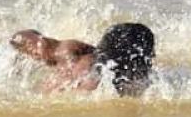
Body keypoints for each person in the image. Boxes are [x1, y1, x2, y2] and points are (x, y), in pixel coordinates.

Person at [10, 22, 155, 96]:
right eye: (150, 52)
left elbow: (25, 38)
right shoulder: (99, 84)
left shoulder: (73, 52)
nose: (153, 56)